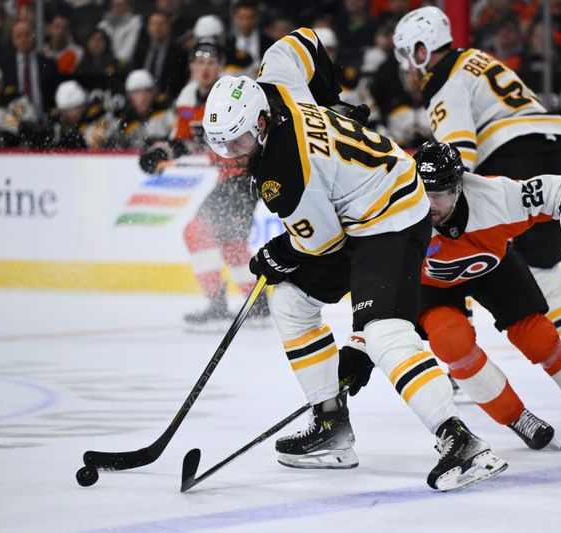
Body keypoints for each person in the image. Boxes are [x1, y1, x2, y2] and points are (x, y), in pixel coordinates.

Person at [202, 28, 508, 491]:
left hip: (393, 216)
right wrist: (327, 98)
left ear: (262, 123)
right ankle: (330, 426)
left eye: (239, 142)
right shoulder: (276, 81)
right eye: (222, 146)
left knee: (384, 331)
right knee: (289, 300)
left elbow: (321, 243)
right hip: (358, 204)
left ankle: (460, 441)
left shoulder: (284, 172)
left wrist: (274, 253)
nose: (233, 154)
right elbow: (300, 40)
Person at [393, 6, 561, 381]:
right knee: (544, 263)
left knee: (463, 246)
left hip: (511, 153)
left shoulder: (443, 81)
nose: (409, 67)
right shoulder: (474, 58)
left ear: (422, 50)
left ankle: (460, 355)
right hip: (550, 145)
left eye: (408, 55)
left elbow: (458, 156)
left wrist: (445, 212)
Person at [410, 141, 561, 451]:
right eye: (423, 192)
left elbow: (560, 189)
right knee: (451, 342)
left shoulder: (495, 197)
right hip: (431, 285)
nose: (429, 204)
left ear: (458, 187)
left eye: (439, 194)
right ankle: (516, 417)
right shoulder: (397, 208)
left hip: (493, 266)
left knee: (540, 339)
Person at [139, 38, 266, 329]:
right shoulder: (186, 100)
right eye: (199, 63)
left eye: (211, 63)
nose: (205, 69)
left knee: (196, 231)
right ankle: (257, 303)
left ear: (219, 66)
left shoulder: (230, 94)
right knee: (232, 240)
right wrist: (161, 153)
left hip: (245, 175)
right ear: (192, 67)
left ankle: (217, 301)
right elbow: (183, 141)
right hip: (229, 178)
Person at [113, 69, 174, 149]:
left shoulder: (165, 114)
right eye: (137, 93)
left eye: (146, 92)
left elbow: (178, 136)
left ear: (153, 93)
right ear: (129, 96)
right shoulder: (126, 122)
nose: (142, 98)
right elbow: (118, 148)